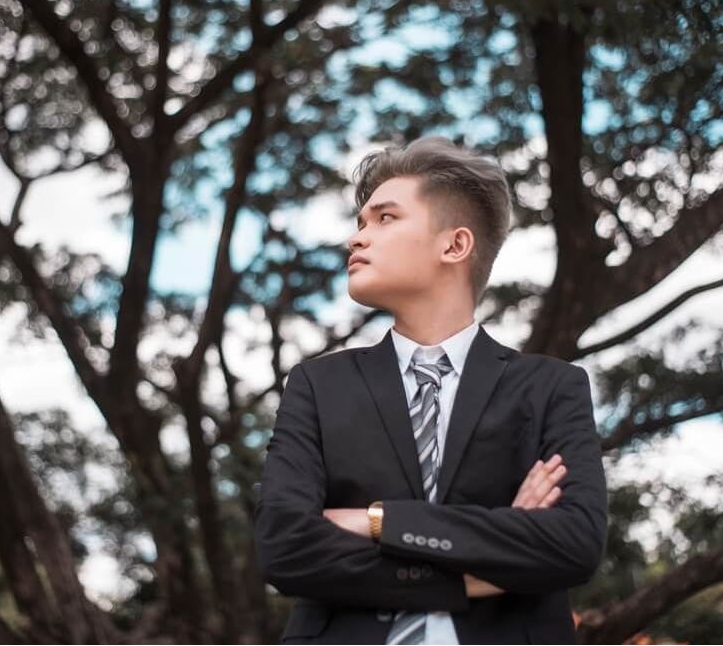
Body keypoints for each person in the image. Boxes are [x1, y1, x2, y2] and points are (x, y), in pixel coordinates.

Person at [254, 136, 608, 644]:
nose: (357, 239)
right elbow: (284, 546)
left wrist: (377, 521)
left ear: (455, 245)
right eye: (360, 223)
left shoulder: (551, 388)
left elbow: (574, 544)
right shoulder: (317, 385)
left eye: (385, 218)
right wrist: (480, 570)